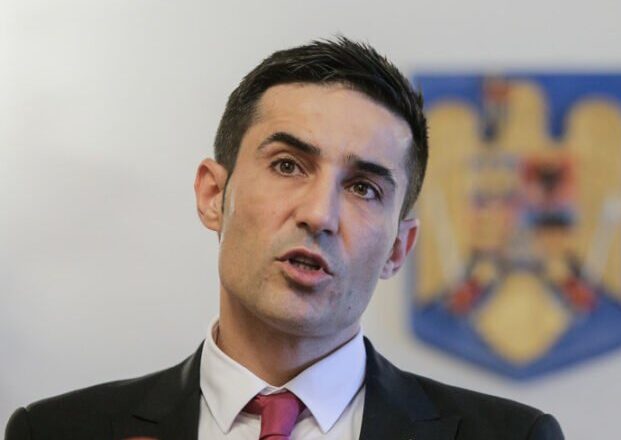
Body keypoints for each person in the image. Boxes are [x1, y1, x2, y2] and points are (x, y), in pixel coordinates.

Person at [5, 37, 564, 440]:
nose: (319, 214)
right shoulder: (55, 431)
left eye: (364, 188)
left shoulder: (513, 436)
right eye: (289, 165)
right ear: (211, 195)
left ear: (399, 248)